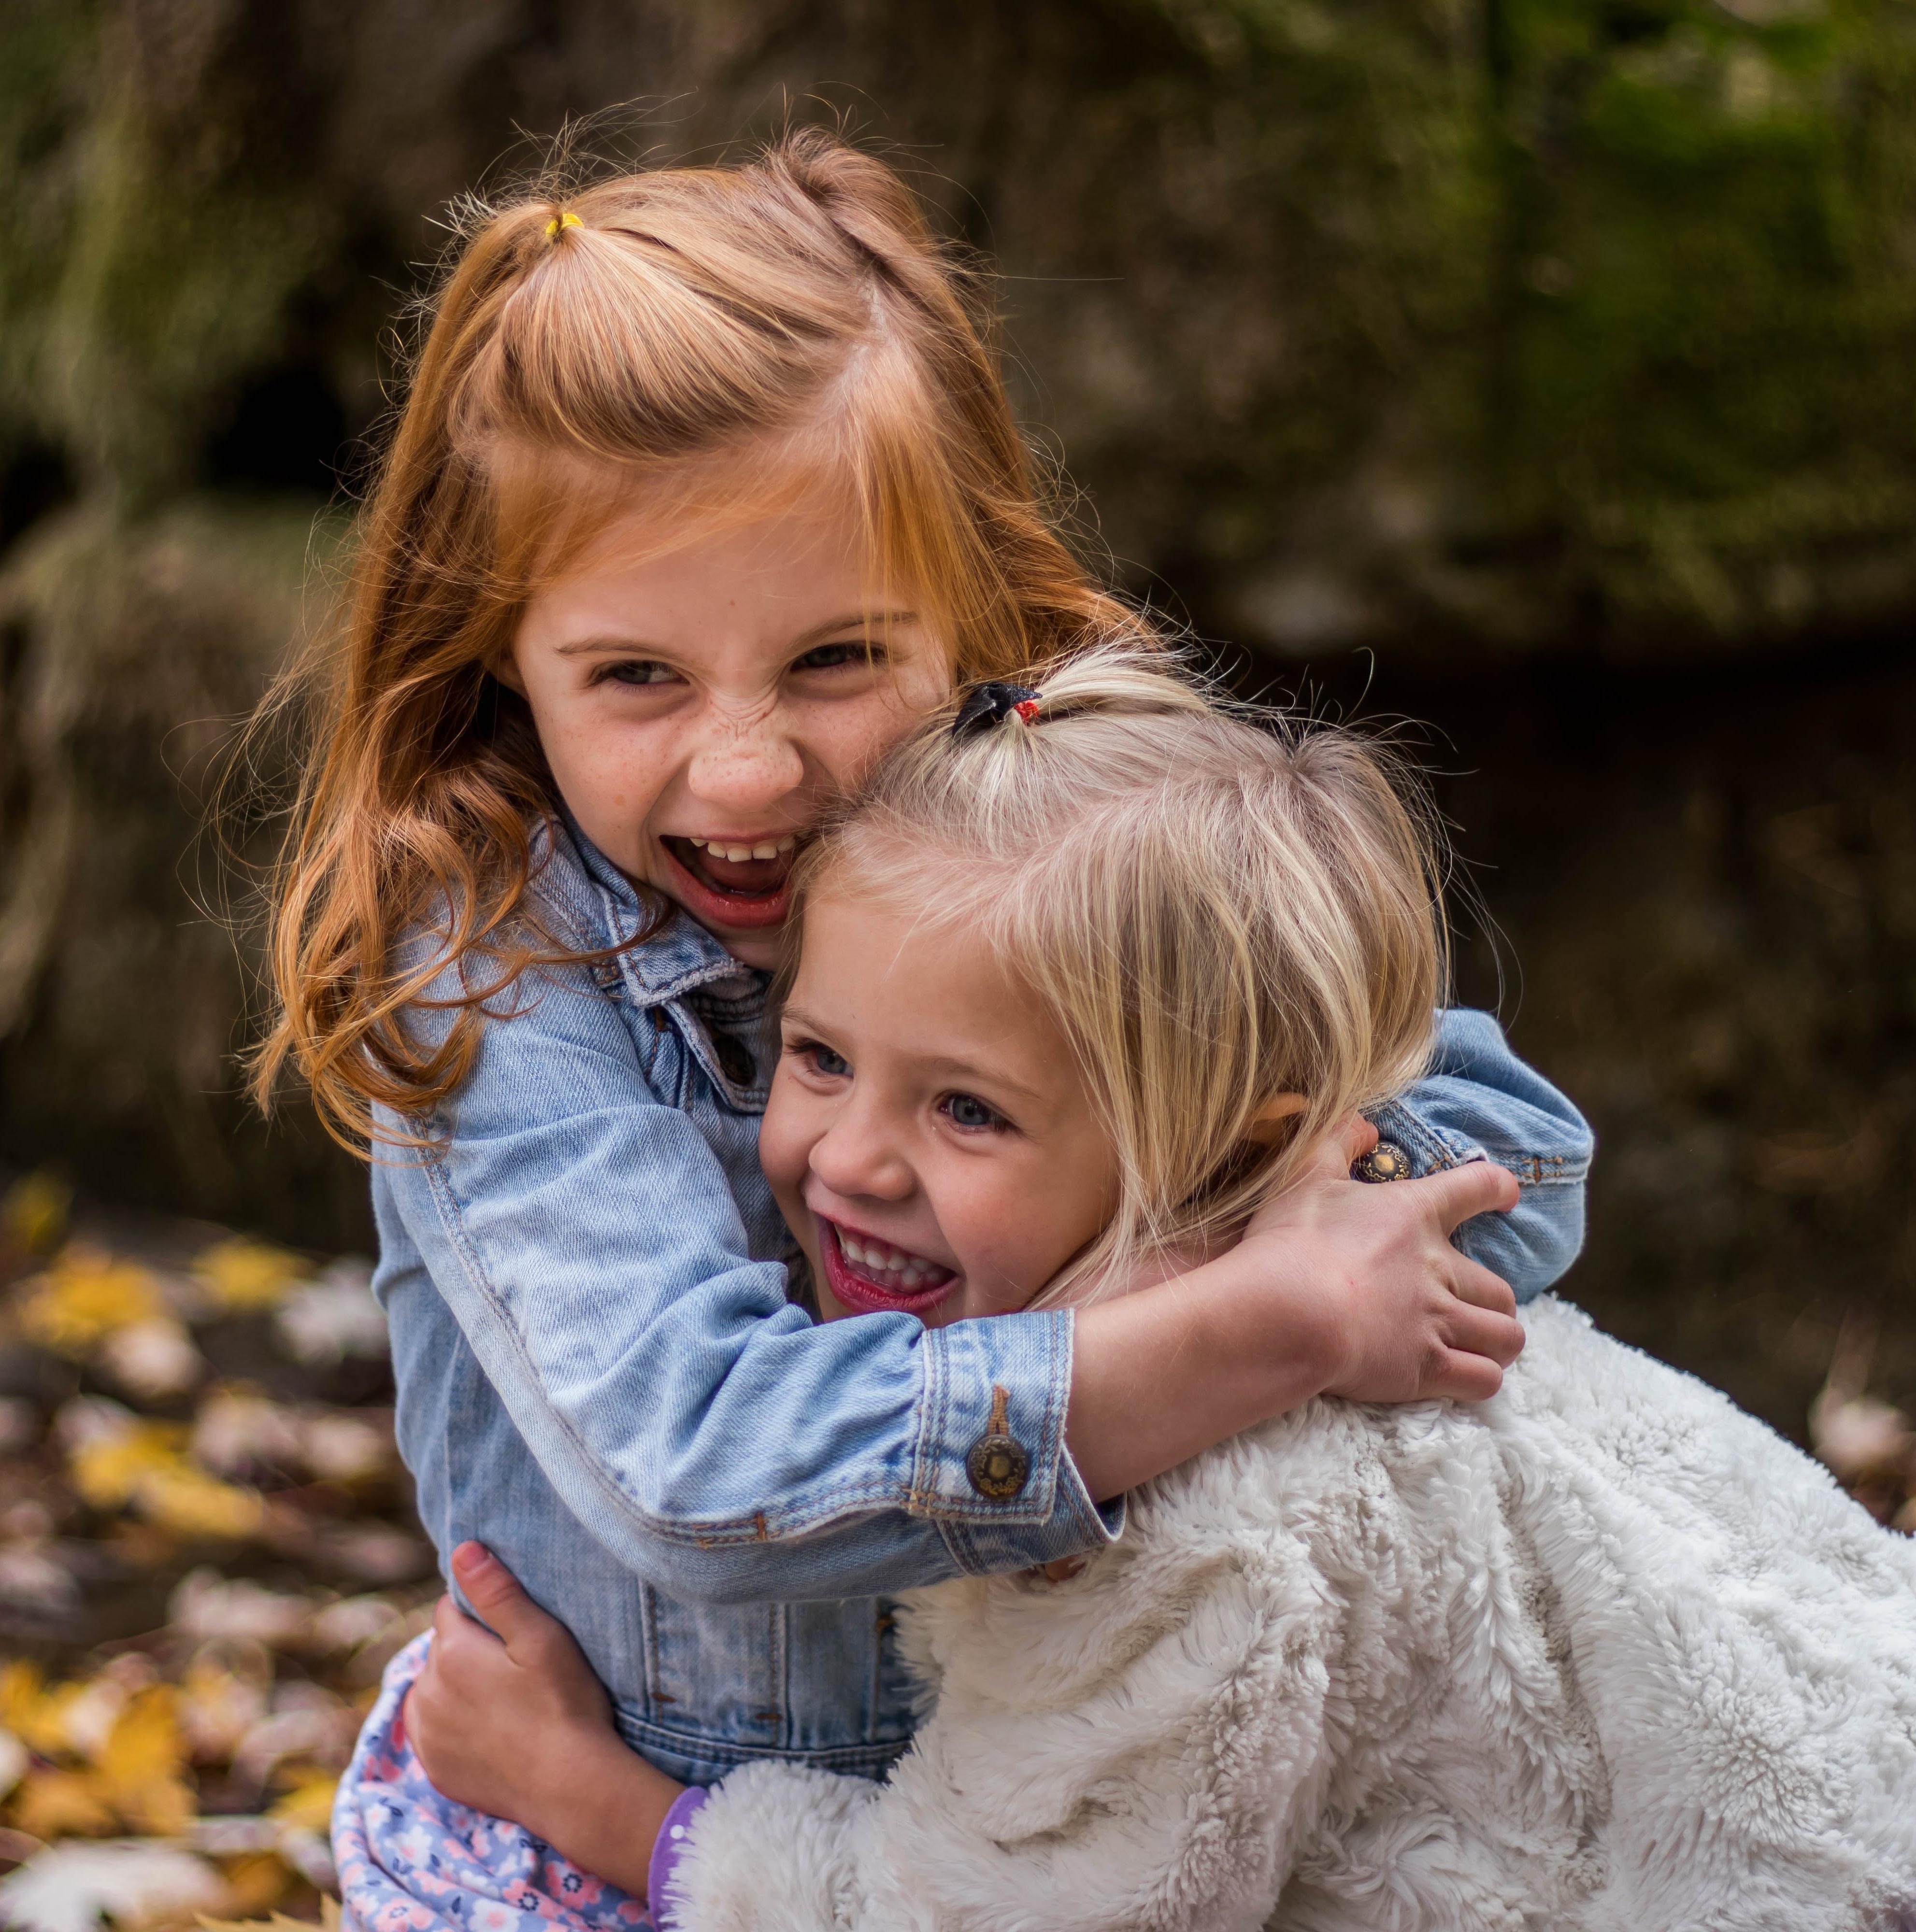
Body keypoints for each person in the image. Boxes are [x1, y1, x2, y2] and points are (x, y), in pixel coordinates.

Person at [254, 132, 1588, 1927]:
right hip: (615, 1829)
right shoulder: (500, 974)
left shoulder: (1063, 847)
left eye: (834, 663)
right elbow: (703, 1464)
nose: (748, 770)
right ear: (499, 650)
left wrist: (1253, 1235)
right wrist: (1238, 1328)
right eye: (636, 677)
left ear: (972, 608)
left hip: (1044, 1814)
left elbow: (1513, 1154)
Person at [401, 651, 1916, 1932]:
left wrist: (603, 1809)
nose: (847, 1161)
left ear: (1227, 1147)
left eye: (969, 1112)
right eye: (819, 1057)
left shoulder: (1186, 1527)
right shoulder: (1352, 1254)